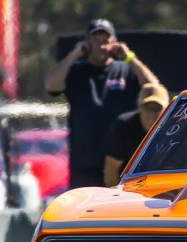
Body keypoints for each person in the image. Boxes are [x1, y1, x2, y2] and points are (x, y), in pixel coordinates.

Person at [44, 18, 159, 188]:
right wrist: (74, 55)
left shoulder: (125, 70)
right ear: (87, 43)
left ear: (114, 43)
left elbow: (155, 88)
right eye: (96, 41)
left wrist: (130, 58)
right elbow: (51, 85)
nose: (101, 46)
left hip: (121, 162)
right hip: (85, 163)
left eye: (105, 41)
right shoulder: (76, 71)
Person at [103, 83, 169, 187]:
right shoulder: (124, 126)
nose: (151, 114)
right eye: (147, 107)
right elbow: (111, 174)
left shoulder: (178, 128)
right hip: (129, 189)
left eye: (157, 108)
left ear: (167, 109)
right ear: (138, 107)